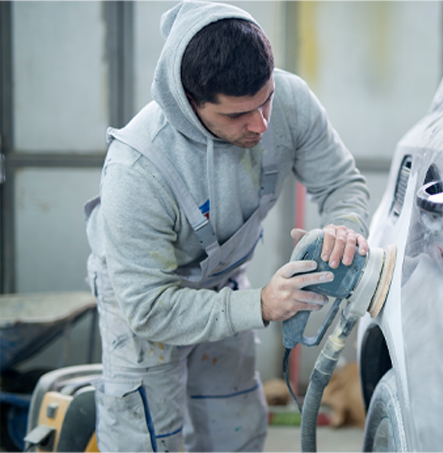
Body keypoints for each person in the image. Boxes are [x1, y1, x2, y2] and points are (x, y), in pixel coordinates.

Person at [84, 1, 370, 452]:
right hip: (144, 299)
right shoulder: (137, 170)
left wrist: (345, 226)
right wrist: (258, 306)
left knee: (234, 427)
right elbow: (149, 308)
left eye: (266, 100)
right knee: (148, 437)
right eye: (237, 116)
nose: (261, 124)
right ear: (190, 103)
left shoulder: (290, 102)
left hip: (223, 284)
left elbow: (341, 183)